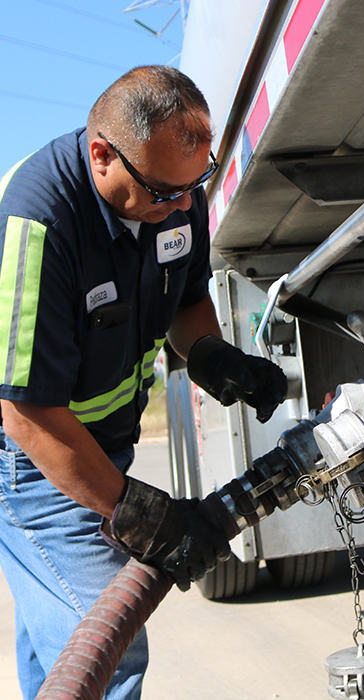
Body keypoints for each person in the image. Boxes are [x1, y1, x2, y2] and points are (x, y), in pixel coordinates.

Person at [0, 65, 287, 699]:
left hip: (106, 446)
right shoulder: (40, 221)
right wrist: (142, 514)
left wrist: (214, 356)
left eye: (198, 182)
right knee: (107, 648)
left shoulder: (181, 195)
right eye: (164, 190)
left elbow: (185, 306)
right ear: (102, 155)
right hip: (35, 465)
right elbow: (26, 414)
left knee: (58, 654)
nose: (183, 206)